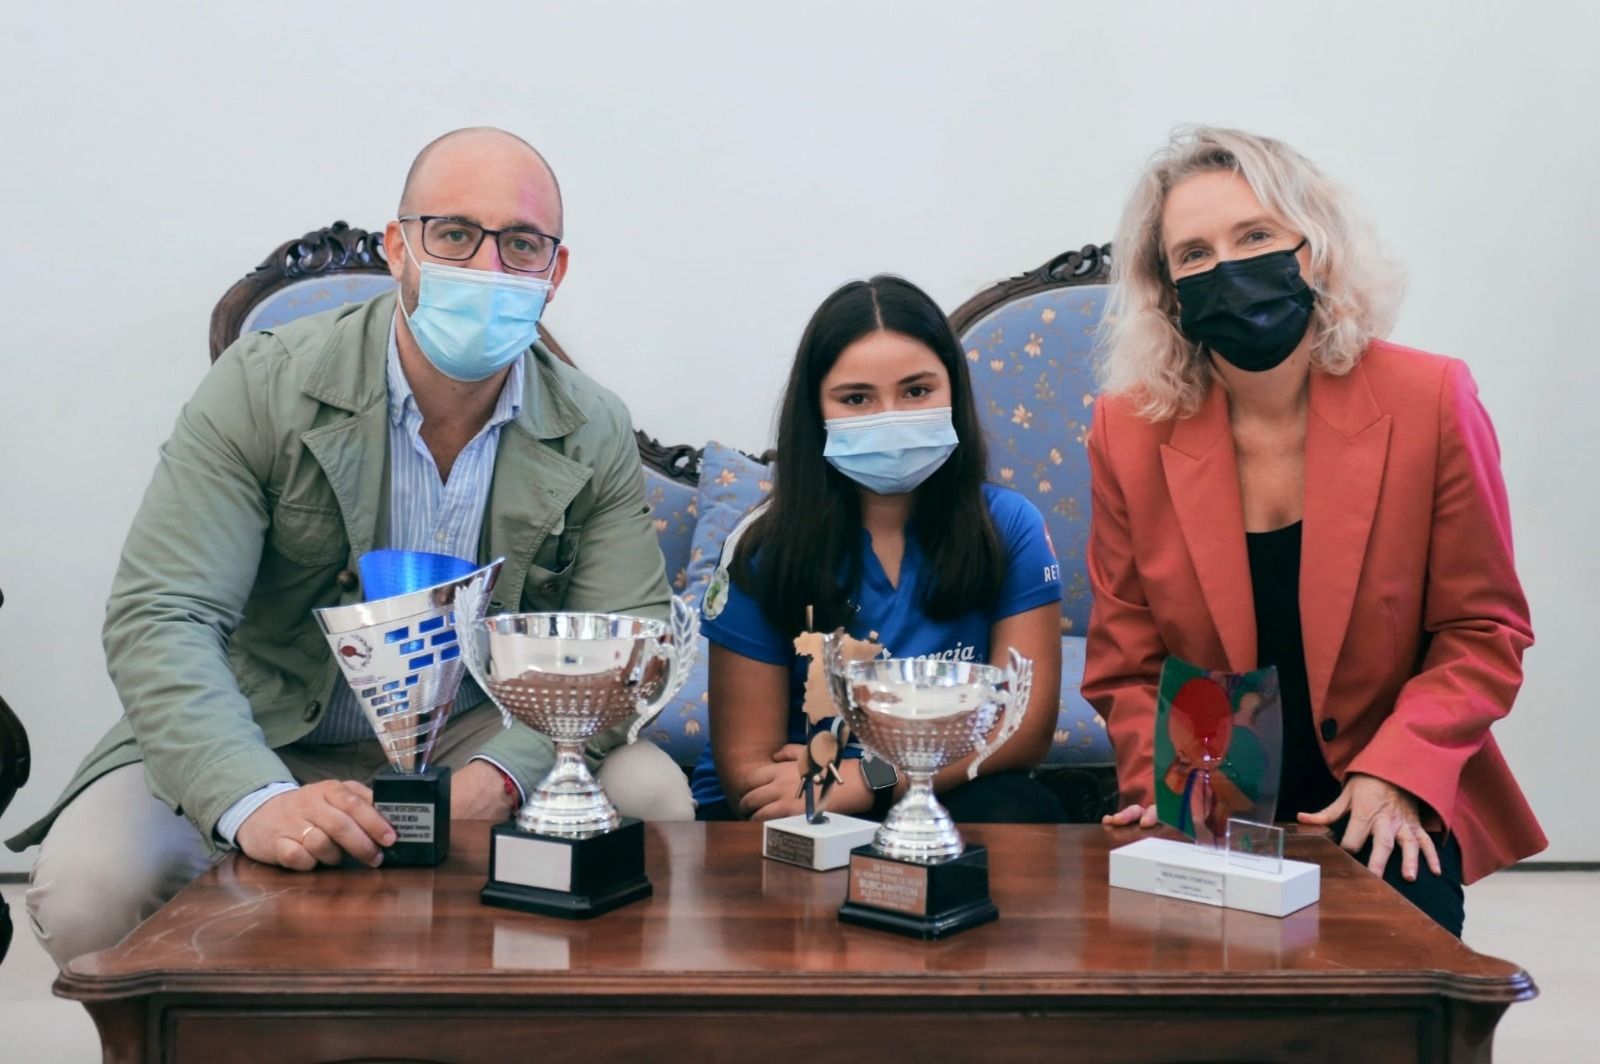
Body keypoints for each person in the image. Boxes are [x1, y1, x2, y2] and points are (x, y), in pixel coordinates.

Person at [10, 127, 694, 967]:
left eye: (520, 245)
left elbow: (625, 636)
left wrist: (499, 779)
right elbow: (165, 613)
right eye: (453, 235)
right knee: (92, 889)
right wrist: (252, 796)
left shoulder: (593, 427)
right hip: (263, 725)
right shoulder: (263, 384)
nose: (486, 270)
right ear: (397, 248)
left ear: (554, 275)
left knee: (651, 793)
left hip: (475, 736)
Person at [1083, 126, 1545, 934]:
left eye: (1255, 236)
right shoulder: (1128, 430)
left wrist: (1397, 774)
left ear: (1315, 246)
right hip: (1212, 792)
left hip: (1376, 784)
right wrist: (1171, 787)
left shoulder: (1431, 398)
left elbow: (1483, 630)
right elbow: (1127, 661)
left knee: (1388, 995)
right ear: (1168, 290)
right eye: (1193, 255)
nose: (1227, 267)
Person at [692, 275, 1064, 824]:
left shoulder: (1010, 525)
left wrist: (871, 779)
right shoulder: (762, 546)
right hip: (800, 790)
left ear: (954, 392)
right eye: (857, 398)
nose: (892, 417)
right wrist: (830, 785)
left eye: (917, 391)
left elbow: (1023, 731)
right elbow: (747, 767)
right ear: (815, 412)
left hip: (935, 784)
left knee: (1021, 811)